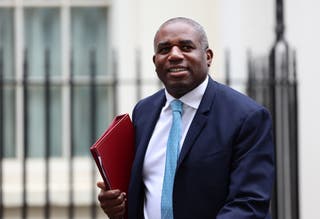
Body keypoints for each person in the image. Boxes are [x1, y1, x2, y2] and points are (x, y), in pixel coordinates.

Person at [97, 17, 274, 219]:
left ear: (208, 56)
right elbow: (139, 190)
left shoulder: (247, 117)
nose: (174, 55)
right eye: (164, 49)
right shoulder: (143, 112)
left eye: (186, 47)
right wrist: (117, 204)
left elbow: (249, 204)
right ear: (155, 62)